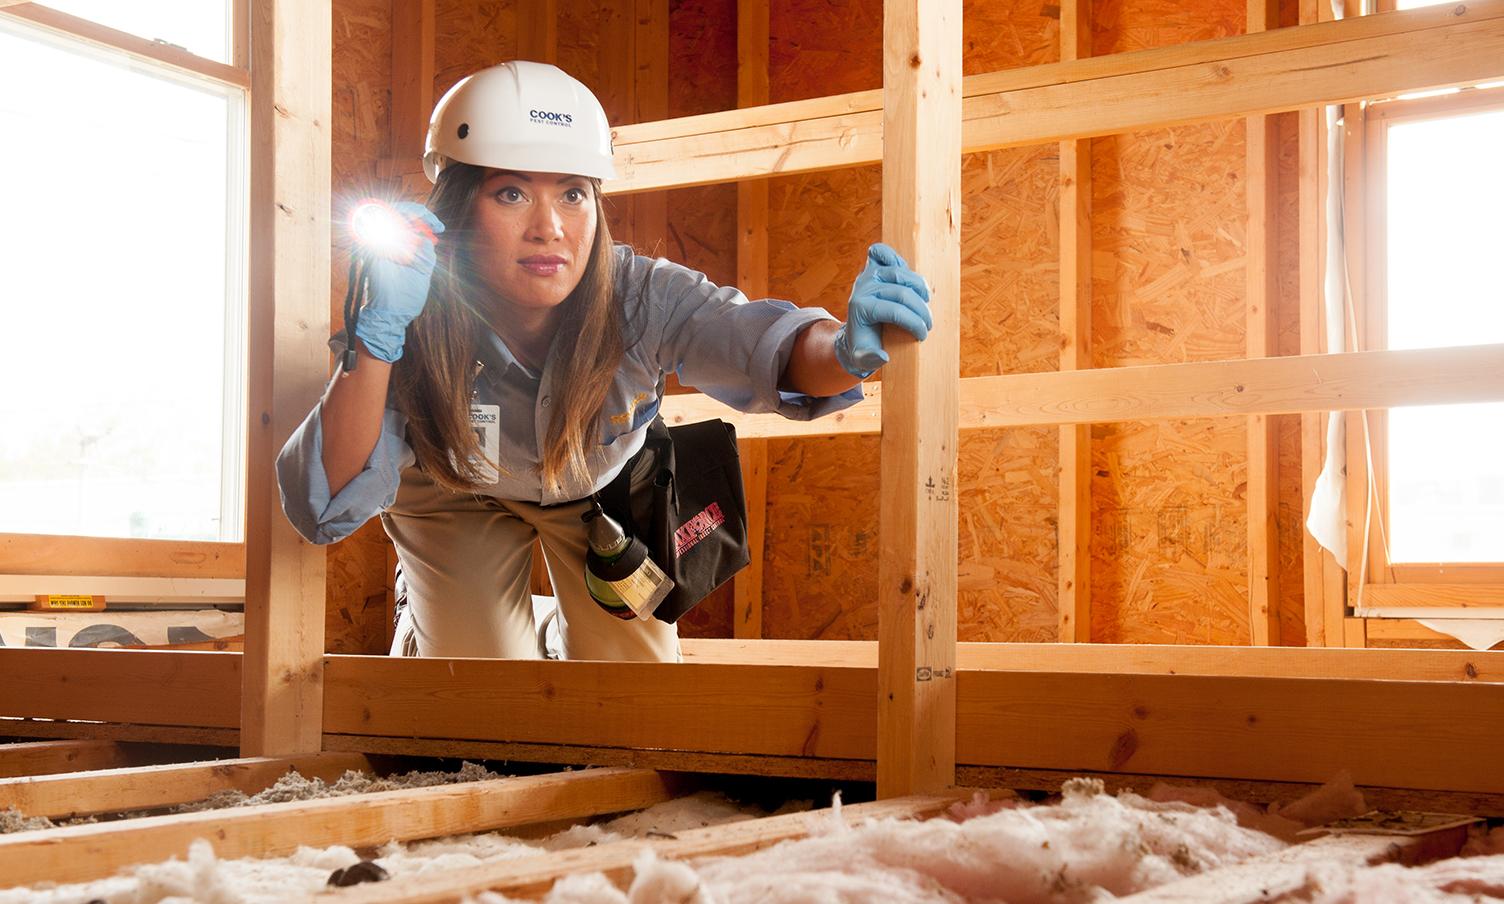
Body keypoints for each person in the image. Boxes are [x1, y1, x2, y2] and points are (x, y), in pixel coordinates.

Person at [277, 61, 932, 662]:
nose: (550, 227)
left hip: (599, 490)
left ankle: (553, 634)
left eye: (572, 194)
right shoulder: (408, 298)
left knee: (635, 700)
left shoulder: (640, 294)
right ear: (457, 205)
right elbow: (324, 500)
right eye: (510, 194)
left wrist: (846, 351)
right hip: (453, 491)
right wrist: (377, 337)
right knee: (473, 696)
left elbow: (767, 347)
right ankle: (437, 624)